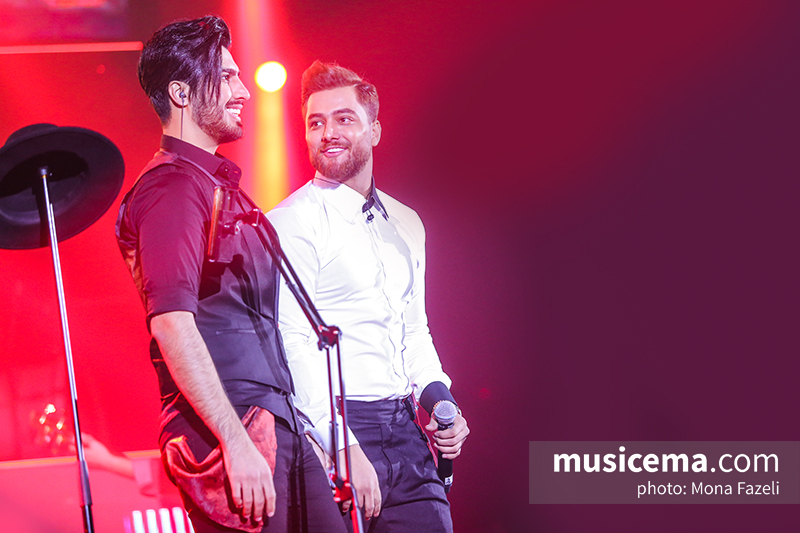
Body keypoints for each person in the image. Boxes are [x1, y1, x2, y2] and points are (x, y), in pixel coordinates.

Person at [115, 17, 345, 533]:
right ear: (181, 93)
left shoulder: (217, 186)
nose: (243, 91)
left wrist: (303, 431)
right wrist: (235, 441)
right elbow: (171, 322)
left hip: (277, 423)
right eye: (226, 77)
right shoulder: (171, 188)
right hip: (234, 427)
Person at [267, 61, 470, 532]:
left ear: (374, 130)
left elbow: (413, 330)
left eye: (344, 119)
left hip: (405, 431)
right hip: (335, 427)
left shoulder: (407, 222)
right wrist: (343, 445)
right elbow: (293, 342)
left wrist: (441, 399)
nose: (328, 133)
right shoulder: (292, 222)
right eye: (316, 123)